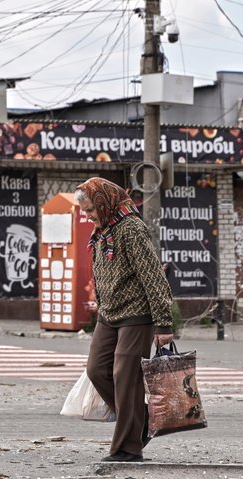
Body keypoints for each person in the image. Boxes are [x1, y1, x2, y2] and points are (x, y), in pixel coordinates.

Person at [74, 177, 174, 463]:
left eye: (91, 209)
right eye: (85, 211)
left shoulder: (131, 228)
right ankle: (141, 420)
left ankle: (127, 448)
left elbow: (153, 277)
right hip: (109, 316)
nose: (88, 215)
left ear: (105, 203)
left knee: (125, 379)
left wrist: (163, 324)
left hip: (137, 315)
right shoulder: (102, 229)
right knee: (97, 370)